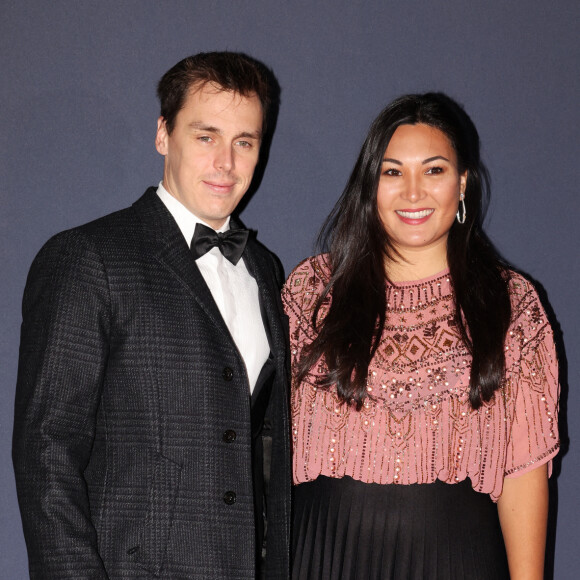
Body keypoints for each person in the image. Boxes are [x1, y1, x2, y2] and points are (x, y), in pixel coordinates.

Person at [13, 52, 291, 579]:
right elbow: (46, 456)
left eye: (244, 142)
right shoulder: (88, 258)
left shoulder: (265, 269)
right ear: (163, 134)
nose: (226, 163)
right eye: (205, 136)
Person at [282, 93, 559, 579]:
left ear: (463, 183)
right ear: (370, 185)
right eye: (392, 172)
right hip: (319, 558)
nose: (413, 192)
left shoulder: (511, 305)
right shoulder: (312, 292)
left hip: (456, 561)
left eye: (434, 170)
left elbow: (524, 475)